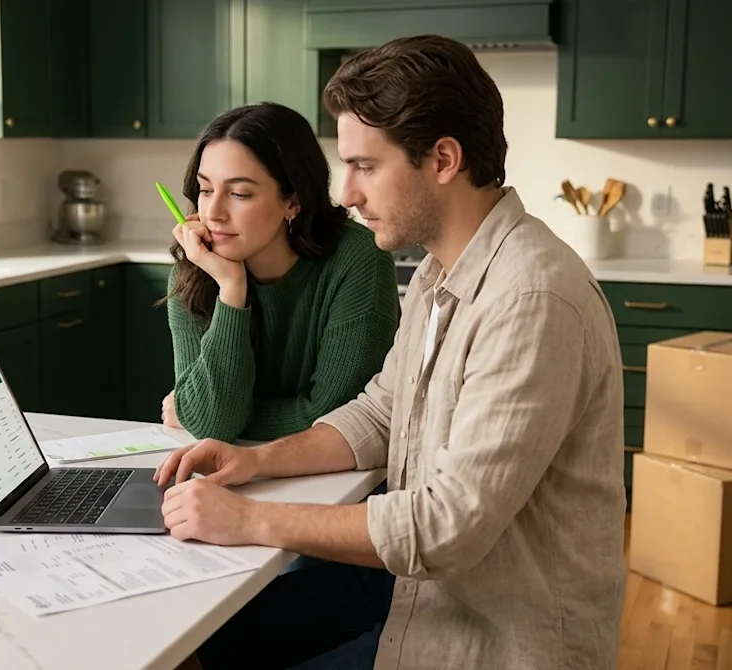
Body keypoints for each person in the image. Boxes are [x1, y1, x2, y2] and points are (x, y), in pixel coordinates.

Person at [156, 34, 628, 670]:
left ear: (442, 159)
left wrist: (250, 519)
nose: (345, 193)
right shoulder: (442, 272)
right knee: (196, 647)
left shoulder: (530, 298)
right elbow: (380, 413)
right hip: (422, 593)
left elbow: (445, 527)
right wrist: (253, 459)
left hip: (489, 638)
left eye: (364, 166)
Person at [160, 102, 401, 443]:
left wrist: (213, 418)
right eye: (206, 190)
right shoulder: (195, 271)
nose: (213, 213)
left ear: (293, 201)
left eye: (239, 193)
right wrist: (231, 288)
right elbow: (212, 423)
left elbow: (343, 415)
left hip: (337, 474)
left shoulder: (357, 258)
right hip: (234, 471)